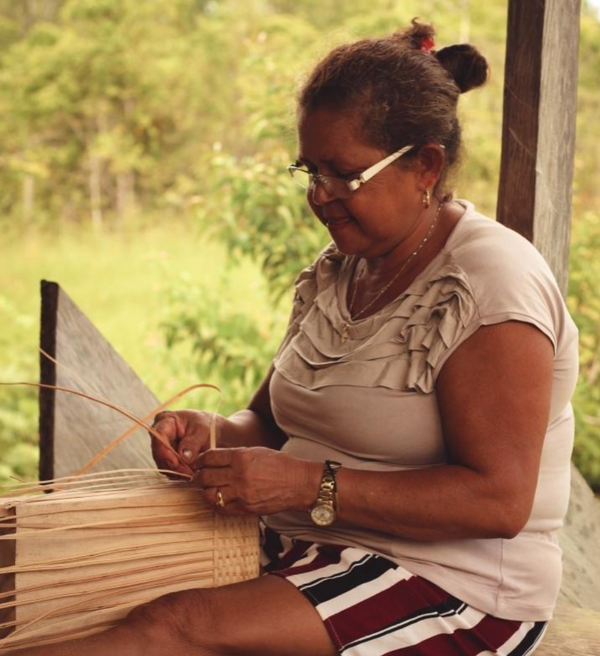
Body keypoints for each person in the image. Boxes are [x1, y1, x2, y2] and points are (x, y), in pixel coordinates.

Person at [9, 19, 579, 656]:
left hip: (451, 585)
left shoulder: (488, 284)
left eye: (343, 175)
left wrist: (309, 486)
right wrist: (213, 433)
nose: (320, 196)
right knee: (21, 550)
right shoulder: (341, 270)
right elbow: (269, 424)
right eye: (309, 171)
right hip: (306, 541)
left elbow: (497, 501)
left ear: (425, 165)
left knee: (170, 630)